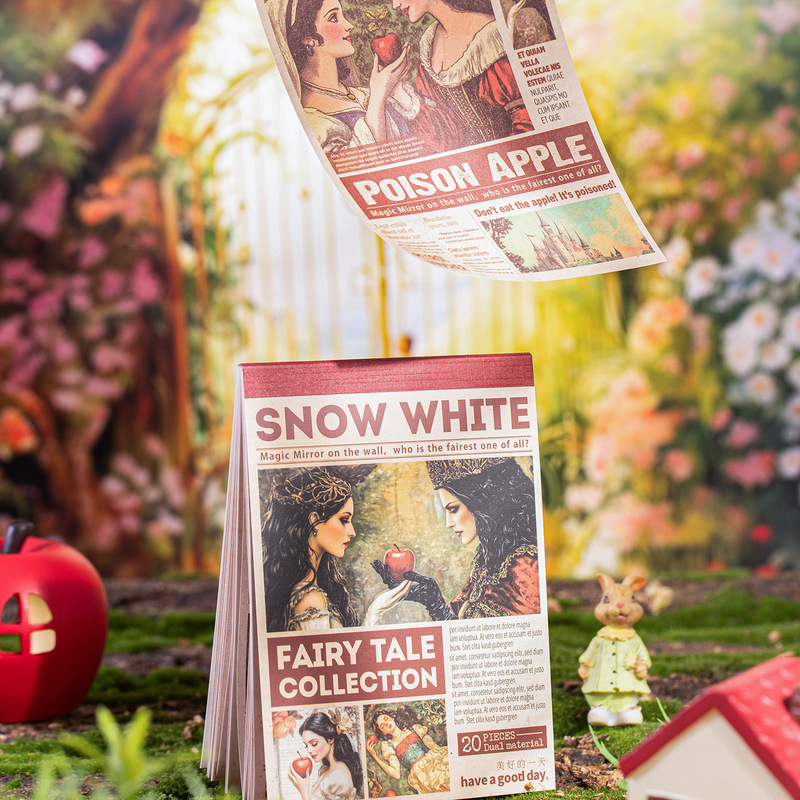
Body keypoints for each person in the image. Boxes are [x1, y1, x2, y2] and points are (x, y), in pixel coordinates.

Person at [373, 457, 540, 619]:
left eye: (453, 509)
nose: (448, 523)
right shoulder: (489, 556)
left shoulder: (527, 567)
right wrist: (433, 601)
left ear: (483, 501)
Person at [264, 466, 409, 632]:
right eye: (344, 520)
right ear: (315, 520)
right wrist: (375, 612)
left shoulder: (311, 589)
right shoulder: (311, 600)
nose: (352, 532)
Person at [390, 0, 534, 152]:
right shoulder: (429, 49)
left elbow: (528, 128)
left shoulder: (494, 38)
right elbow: (447, 137)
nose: (395, 5)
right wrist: (397, 91)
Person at [281, 0, 412, 153]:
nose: (349, 25)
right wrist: (378, 95)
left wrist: (395, 88)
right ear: (307, 38)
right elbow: (365, 160)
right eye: (333, 18)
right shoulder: (311, 120)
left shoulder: (363, 94)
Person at [366, 706, 449, 794]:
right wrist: (374, 755)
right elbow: (396, 774)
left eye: (386, 719)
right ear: (384, 732)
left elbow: (434, 747)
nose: (386, 724)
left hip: (435, 763)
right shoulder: (389, 746)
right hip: (422, 774)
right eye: (383, 726)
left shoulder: (415, 729)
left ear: (392, 718)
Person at [289, 711, 362, 800]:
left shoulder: (338, 777)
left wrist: (304, 792)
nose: (309, 751)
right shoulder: (327, 770)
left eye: (314, 744)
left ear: (330, 739)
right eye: (306, 746)